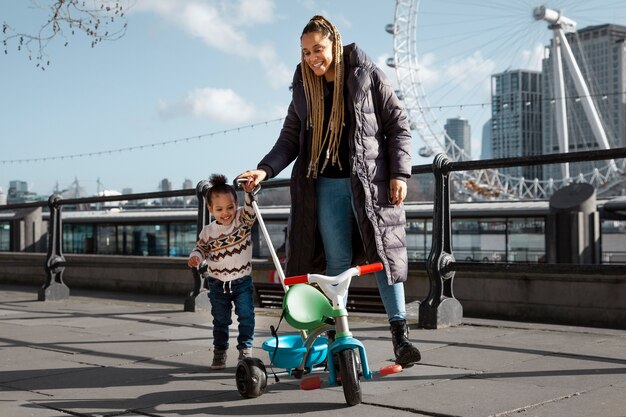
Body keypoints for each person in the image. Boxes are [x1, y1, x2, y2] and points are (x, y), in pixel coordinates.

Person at [237, 15, 420, 367]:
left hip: (369, 185)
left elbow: (398, 125)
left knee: (383, 257)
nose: (312, 58)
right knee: (335, 265)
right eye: (305, 52)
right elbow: (290, 139)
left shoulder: (366, 75)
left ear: (334, 44)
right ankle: (339, 339)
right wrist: (264, 169)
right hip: (325, 186)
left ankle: (400, 336)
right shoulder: (304, 87)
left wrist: (400, 173)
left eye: (317, 49)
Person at [187, 174, 257, 370]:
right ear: (210, 209)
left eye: (230, 207)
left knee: (246, 316)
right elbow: (201, 248)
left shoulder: (242, 222)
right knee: (220, 320)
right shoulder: (208, 232)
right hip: (217, 283)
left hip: (242, 281)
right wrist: (196, 257)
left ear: (236, 204)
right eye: (219, 209)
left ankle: (246, 349)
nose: (225, 213)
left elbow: (251, 210)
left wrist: (249, 193)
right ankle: (220, 351)